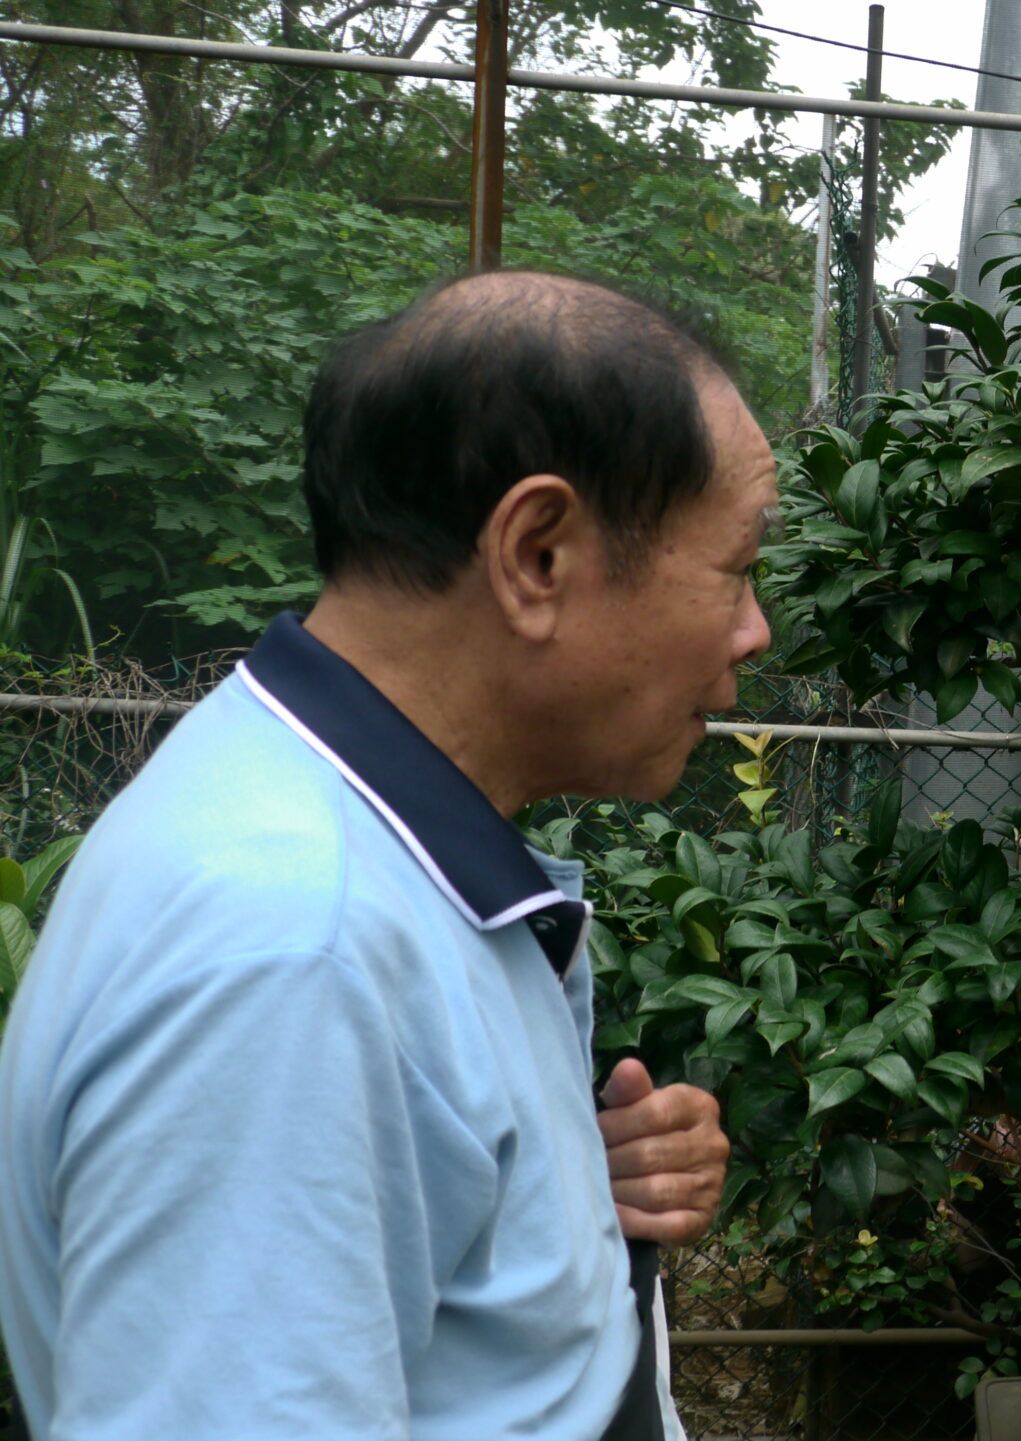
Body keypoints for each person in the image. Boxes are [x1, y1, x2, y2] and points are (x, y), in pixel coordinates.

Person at [0, 271, 769, 1440]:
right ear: (538, 555)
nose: (755, 629)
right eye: (736, 567)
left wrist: (559, 1193)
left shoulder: (339, 842)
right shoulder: (294, 956)